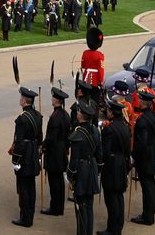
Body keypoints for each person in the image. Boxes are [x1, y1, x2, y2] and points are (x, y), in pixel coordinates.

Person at [10, 86, 43, 228]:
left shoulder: (22, 119)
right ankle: (30, 214)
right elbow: (40, 136)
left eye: (21, 98)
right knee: (31, 187)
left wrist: (15, 160)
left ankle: (25, 218)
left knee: (23, 187)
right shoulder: (37, 115)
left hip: (24, 156)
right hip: (34, 153)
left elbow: (18, 142)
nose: (20, 99)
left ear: (24, 100)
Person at [68, 100, 103, 235]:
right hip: (92, 167)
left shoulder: (78, 133)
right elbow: (99, 153)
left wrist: (70, 175)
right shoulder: (95, 129)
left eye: (78, 112)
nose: (77, 113)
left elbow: (75, 159)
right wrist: (98, 169)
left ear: (81, 115)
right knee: (89, 205)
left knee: (81, 206)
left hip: (81, 171)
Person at [131, 88, 155, 226]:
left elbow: (141, 143)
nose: (138, 102)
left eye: (140, 100)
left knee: (147, 187)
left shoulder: (142, 120)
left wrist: (134, 156)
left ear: (144, 103)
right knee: (150, 185)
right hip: (154, 153)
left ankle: (147, 216)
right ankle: (149, 214)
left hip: (146, 156)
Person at [101, 98, 132, 235]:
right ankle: (118, 225)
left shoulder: (109, 129)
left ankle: (112, 229)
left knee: (111, 197)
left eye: (108, 111)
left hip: (111, 165)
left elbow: (105, 151)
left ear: (112, 113)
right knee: (118, 196)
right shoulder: (125, 127)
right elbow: (127, 150)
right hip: (121, 163)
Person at [42, 86, 70, 217]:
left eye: (53, 98)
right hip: (62, 150)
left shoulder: (55, 117)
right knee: (59, 181)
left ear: (57, 101)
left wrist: (42, 146)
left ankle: (55, 208)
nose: (52, 100)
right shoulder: (65, 115)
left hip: (54, 153)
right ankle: (60, 207)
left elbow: (51, 137)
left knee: (54, 182)